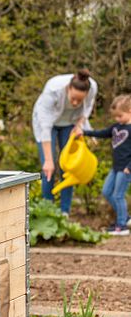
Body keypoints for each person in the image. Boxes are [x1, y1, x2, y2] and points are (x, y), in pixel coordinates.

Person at [32, 69, 98, 215]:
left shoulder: (92, 87)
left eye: (79, 100)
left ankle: (64, 213)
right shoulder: (53, 89)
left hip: (70, 123)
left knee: (69, 168)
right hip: (47, 124)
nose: (75, 103)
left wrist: (80, 125)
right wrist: (48, 160)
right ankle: (48, 211)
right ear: (68, 88)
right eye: (73, 98)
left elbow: (87, 109)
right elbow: (45, 128)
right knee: (49, 168)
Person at [73, 95, 131, 236]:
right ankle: (125, 217)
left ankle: (121, 226)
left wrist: (129, 167)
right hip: (115, 167)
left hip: (126, 169)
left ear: (130, 111)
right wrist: (84, 133)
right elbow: (102, 133)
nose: (116, 119)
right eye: (115, 116)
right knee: (106, 192)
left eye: (120, 116)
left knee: (118, 195)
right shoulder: (116, 127)